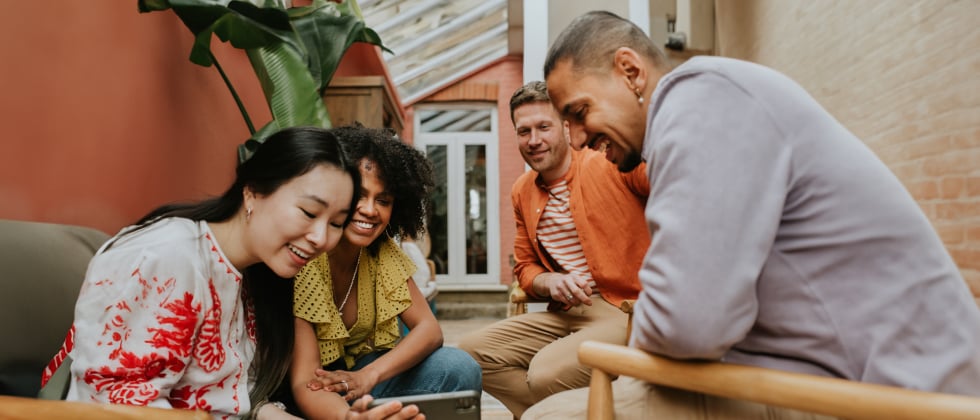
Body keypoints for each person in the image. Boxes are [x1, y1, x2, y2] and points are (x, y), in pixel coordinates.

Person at [525, 10, 980, 418]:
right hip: (818, 376)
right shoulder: (700, 109)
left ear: (630, 71)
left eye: (579, 112)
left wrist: (656, 324)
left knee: (551, 417)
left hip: (890, 395)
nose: (578, 139)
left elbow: (687, 325)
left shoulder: (703, 102)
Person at [39, 127, 423, 419]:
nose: (321, 237)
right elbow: (117, 406)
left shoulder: (256, 275)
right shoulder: (166, 256)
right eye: (308, 213)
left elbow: (240, 401)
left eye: (336, 222)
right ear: (253, 191)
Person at [457, 81, 649, 418]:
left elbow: (670, 182)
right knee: (470, 356)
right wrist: (550, 281)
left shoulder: (607, 161)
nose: (533, 140)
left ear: (565, 127)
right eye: (524, 131)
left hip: (623, 306)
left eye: (543, 127)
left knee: (546, 374)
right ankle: (561, 414)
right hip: (565, 311)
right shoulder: (522, 191)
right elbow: (525, 268)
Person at [283, 125, 482, 419]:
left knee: (460, 367)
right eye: (359, 195)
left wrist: (368, 376)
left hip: (364, 380)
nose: (370, 210)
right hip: (315, 395)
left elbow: (429, 331)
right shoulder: (306, 256)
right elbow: (303, 382)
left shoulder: (381, 251)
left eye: (383, 200)